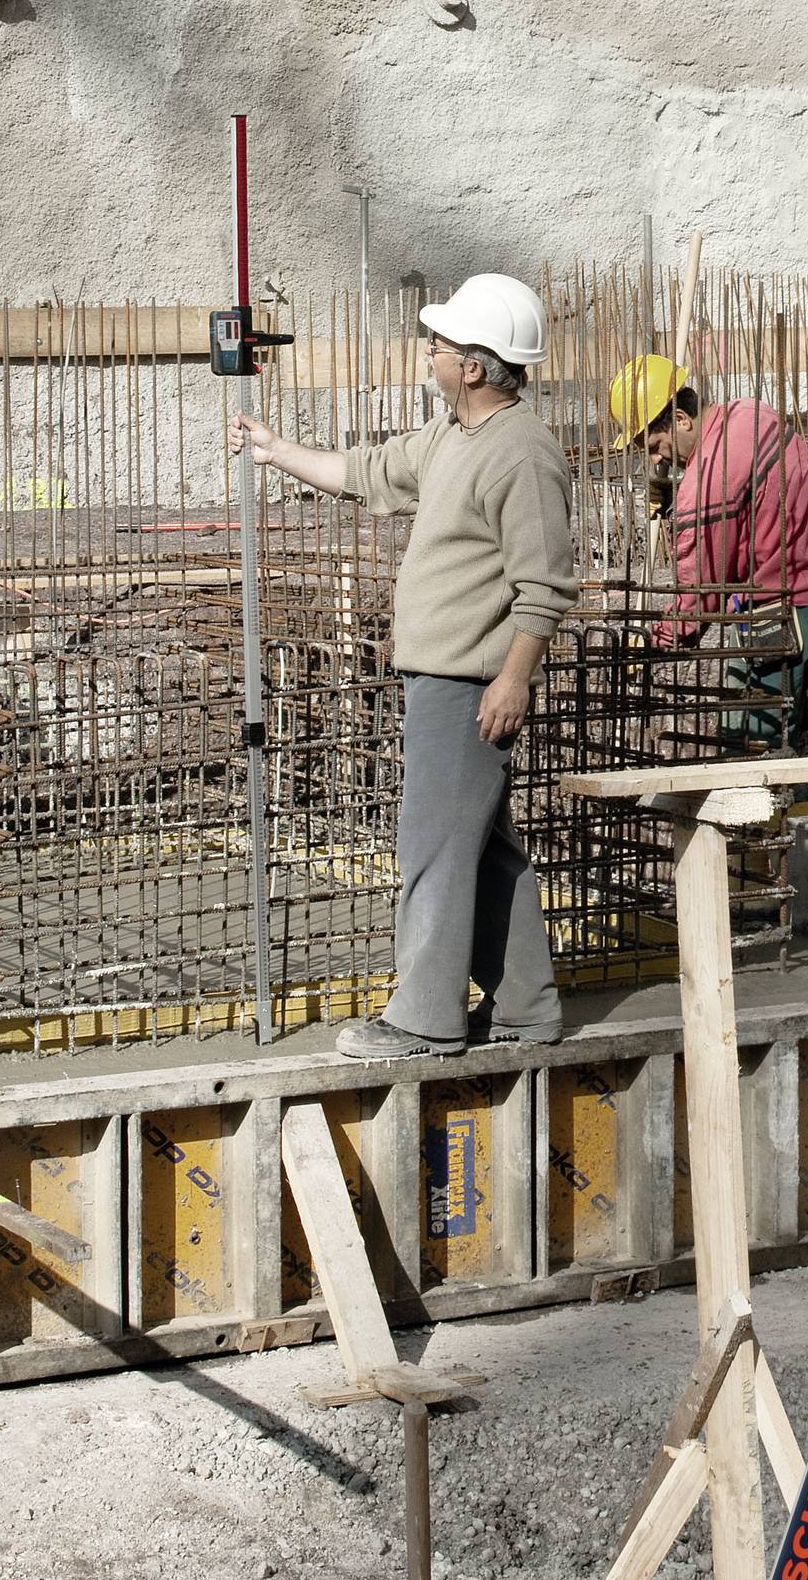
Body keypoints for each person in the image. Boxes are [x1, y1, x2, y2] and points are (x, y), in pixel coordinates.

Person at [230, 273, 576, 1058]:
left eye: (443, 344)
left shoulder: (521, 455)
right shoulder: (453, 435)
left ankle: (424, 1019)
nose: (430, 350)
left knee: (432, 850)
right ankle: (526, 1007)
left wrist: (514, 677)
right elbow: (367, 472)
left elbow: (545, 583)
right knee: (482, 851)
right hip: (443, 677)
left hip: (470, 683)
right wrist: (273, 448)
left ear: (478, 366)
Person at [608, 354, 808, 747]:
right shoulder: (752, 413)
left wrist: (658, 640)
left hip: (786, 618)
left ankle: (786, 808)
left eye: (655, 443)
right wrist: (682, 494)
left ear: (682, 420)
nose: (655, 457)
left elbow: (702, 594)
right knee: (789, 739)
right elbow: (757, 501)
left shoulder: (706, 483)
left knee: (748, 749)